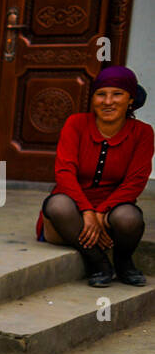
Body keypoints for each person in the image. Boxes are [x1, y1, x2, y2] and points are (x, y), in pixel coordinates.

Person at [37, 66, 150, 287]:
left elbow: (136, 180)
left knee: (129, 218)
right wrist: (87, 211)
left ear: (130, 99)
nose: (108, 101)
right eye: (101, 94)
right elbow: (64, 172)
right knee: (57, 205)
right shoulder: (76, 123)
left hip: (112, 212)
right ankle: (98, 263)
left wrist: (100, 212)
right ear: (93, 98)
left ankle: (123, 261)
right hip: (72, 211)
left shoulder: (143, 132)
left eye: (117, 94)